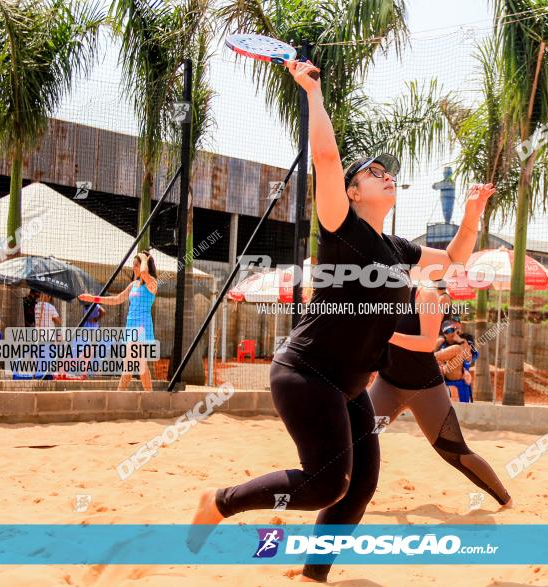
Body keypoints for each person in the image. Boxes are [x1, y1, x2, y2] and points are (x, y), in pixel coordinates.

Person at [187, 58, 493, 584]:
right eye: (373, 172)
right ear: (353, 191)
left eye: (387, 171)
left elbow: (456, 261)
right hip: (306, 373)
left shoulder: (397, 247)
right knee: (325, 484)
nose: (385, 174)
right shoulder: (341, 227)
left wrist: (470, 214)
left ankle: (312, 574)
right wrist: (312, 93)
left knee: (362, 484)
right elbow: (326, 159)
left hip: (348, 387)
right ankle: (219, 502)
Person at [369, 282, 512, 508]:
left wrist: (388, 334)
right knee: (358, 437)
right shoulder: (376, 298)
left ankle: (505, 499)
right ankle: (347, 496)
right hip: (388, 384)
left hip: (425, 389)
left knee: (454, 453)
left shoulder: (423, 296)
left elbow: (426, 344)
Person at [79, 251, 157, 391]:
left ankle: (137, 396)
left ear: (145, 265)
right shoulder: (133, 285)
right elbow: (116, 299)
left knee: (137, 364)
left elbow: (145, 274)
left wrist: (144, 258)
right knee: (132, 365)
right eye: (133, 265)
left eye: (136, 265)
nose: (134, 268)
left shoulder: (152, 283)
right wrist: (93, 299)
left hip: (142, 327)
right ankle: (132, 396)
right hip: (131, 325)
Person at [436, 318, 477, 402]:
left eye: (453, 328)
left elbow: (469, 358)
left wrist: (461, 341)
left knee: (457, 348)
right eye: (447, 331)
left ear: (459, 325)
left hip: (456, 371)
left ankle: (428, 357)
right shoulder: (441, 341)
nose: (451, 332)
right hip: (441, 371)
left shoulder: (466, 338)